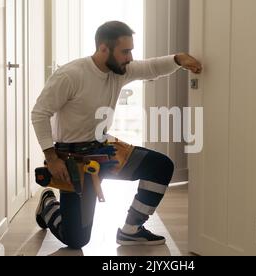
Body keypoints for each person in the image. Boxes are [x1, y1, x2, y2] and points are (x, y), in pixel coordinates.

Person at [31, 21, 202, 249]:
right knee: (76, 240)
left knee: (160, 166)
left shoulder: (119, 71)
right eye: (125, 51)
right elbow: (39, 114)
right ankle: (48, 204)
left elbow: (151, 67)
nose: (130, 57)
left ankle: (131, 230)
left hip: (105, 150)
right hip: (74, 161)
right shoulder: (70, 75)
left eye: (130, 50)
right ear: (103, 49)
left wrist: (179, 60)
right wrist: (52, 159)